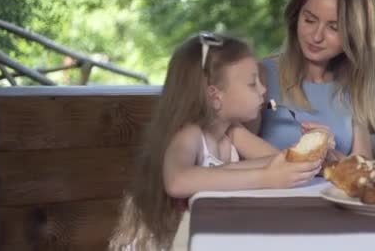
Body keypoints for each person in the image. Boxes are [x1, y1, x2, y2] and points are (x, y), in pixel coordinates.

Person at [109, 33, 322, 250]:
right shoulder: (189, 134)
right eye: (252, 83)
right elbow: (177, 181)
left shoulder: (232, 132)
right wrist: (266, 177)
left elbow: (277, 159)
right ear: (215, 96)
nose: (263, 90)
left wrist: (312, 146)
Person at [231, 0, 375, 159]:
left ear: (354, 34)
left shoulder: (352, 86)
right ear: (295, 17)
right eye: (309, 20)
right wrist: (309, 156)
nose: (317, 36)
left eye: (334, 27)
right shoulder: (261, 75)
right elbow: (236, 154)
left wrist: (328, 155)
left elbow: (362, 166)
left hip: (329, 190)